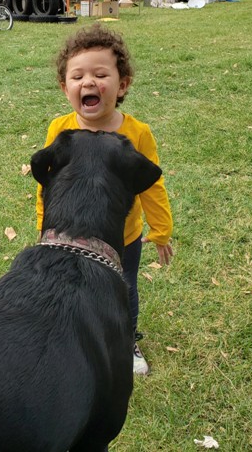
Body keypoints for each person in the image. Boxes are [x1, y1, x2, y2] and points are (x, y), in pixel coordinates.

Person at [35, 23, 174, 376]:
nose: (88, 82)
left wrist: (161, 229)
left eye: (100, 74)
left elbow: (151, 185)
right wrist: (44, 232)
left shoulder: (137, 134)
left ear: (122, 83)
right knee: (68, 290)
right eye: (77, 76)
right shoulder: (60, 130)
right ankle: (71, 338)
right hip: (68, 238)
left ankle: (125, 342)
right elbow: (48, 187)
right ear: (64, 86)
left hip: (122, 239)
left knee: (121, 290)